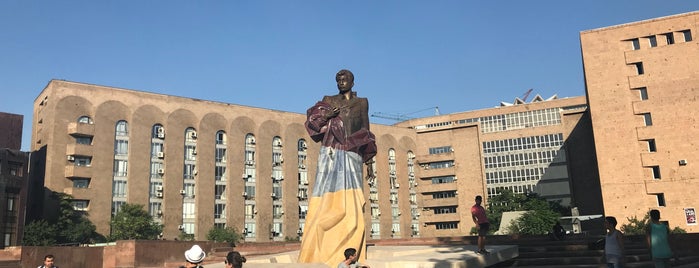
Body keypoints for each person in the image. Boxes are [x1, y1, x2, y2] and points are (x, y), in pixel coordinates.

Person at [298, 69, 377, 267]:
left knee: (353, 199)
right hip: (331, 151)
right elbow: (313, 124)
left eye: (345, 79)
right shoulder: (329, 100)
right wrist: (327, 116)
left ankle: (350, 235)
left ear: (352, 81)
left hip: (353, 153)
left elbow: (366, 131)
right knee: (325, 192)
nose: (341, 82)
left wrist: (369, 162)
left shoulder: (362, 102)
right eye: (338, 80)